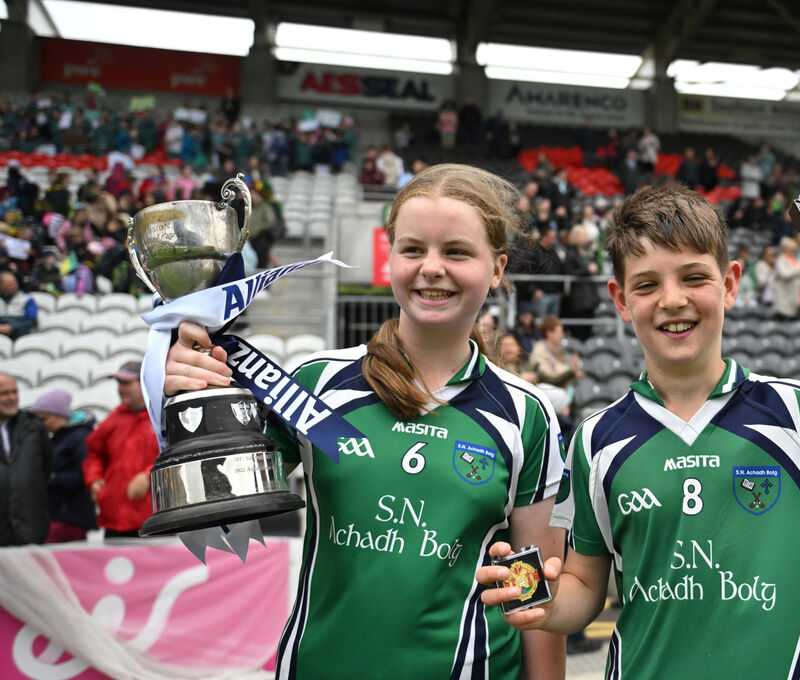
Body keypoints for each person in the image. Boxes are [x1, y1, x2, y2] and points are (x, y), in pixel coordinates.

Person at [477, 186, 800, 679]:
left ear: (730, 284)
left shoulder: (798, 416)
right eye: (647, 284)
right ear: (620, 299)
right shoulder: (595, 440)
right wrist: (539, 599)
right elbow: (586, 585)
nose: (672, 300)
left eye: (694, 277)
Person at [162, 164, 566, 679]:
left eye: (457, 252)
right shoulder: (314, 384)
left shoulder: (525, 414)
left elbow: (532, 599)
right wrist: (191, 397)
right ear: (390, 257)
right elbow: (216, 510)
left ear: (497, 269)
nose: (432, 268)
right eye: (413, 249)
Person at [83, 360, 158, 539]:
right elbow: (95, 454)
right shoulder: (114, 419)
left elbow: (175, 455)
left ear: (145, 383)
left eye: (126, 383)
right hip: (115, 520)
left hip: (153, 520)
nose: (120, 388)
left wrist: (150, 475)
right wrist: (94, 479)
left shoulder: (161, 417)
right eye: (119, 383)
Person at [31, 389, 97, 543]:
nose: (40, 424)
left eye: (43, 418)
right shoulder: (61, 437)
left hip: (68, 517)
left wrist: (49, 478)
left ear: (55, 415)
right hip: (60, 515)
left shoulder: (79, 437)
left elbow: (83, 476)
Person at [0, 372, 52, 546]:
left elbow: (46, 468)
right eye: (4, 393)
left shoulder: (33, 427)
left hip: (29, 529)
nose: (11, 398)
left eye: (14, 392)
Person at [0, 270, 38, 340]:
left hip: (19, 334)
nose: (13, 286)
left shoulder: (26, 299)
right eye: (9, 284)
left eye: (14, 282)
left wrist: (11, 326)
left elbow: (31, 321)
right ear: (1, 286)